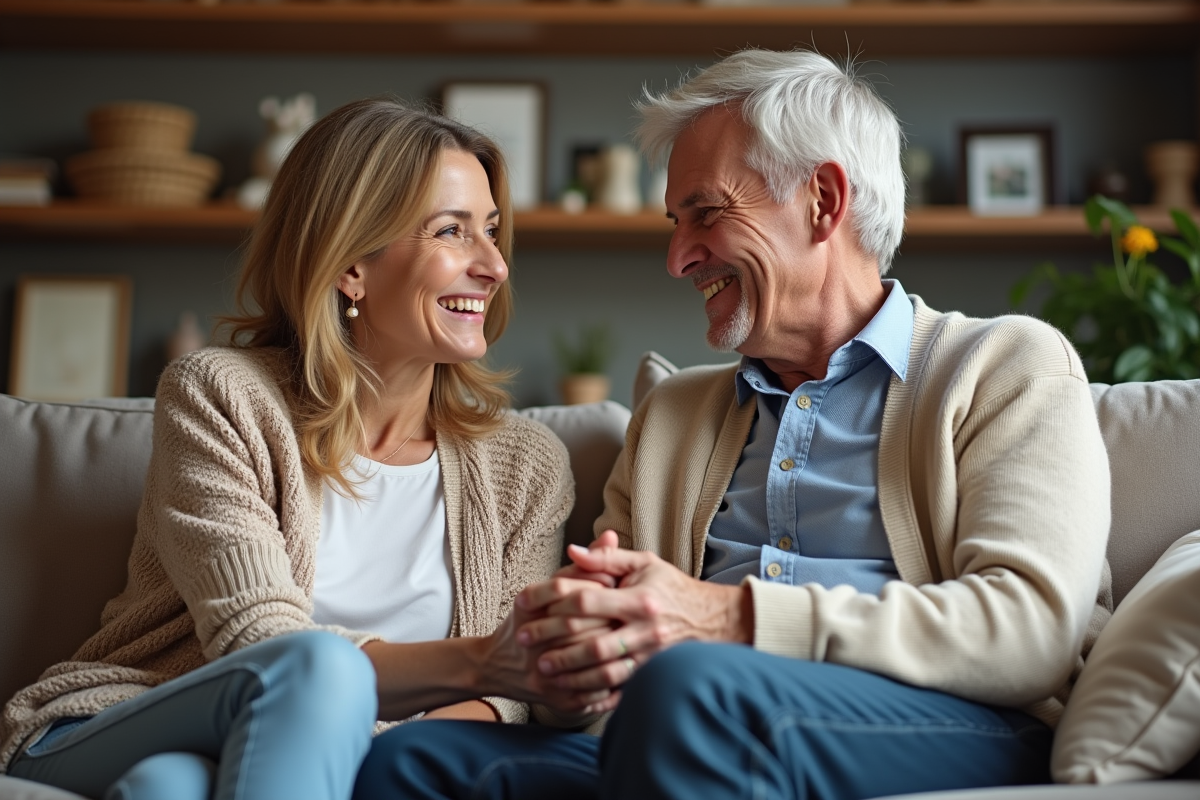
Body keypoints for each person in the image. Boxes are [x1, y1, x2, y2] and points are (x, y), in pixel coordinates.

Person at [358, 49, 1113, 800]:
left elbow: (1030, 633)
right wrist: (582, 652)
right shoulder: (675, 415)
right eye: (674, 222)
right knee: (419, 760)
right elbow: (593, 691)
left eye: (706, 213)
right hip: (682, 721)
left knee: (691, 693)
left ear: (823, 200)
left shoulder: (1005, 365)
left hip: (950, 722)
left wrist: (729, 616)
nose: (678, 256)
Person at [0, 98, 608, 800]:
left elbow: (516, 699)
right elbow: (260, 641)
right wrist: (481, 663)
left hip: (244, 762)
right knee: (318, 667)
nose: (495, 266)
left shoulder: (525, 463)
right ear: (352, 264)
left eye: (493, 233)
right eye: (452, 232)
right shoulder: (221, 396)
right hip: (120, 718)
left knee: (167, 790)